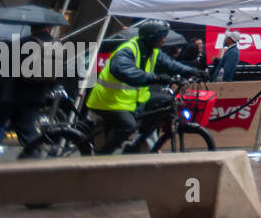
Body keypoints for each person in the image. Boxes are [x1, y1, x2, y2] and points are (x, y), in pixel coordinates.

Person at [86, 19, 203, 154]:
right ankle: (103, 156)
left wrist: (194, 71)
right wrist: (155, 78)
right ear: (152, 37)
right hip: (109, 101)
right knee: (128, 126)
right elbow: (126, 72)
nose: (165, 39)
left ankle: (136, 145)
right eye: (162, 36)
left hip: (131, 101)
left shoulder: (153, 51)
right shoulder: (128, 50)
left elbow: (171, 64)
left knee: (165, 102)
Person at [0, 24, 56, 156]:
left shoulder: (23, 42)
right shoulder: (56, 45)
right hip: (35, 98)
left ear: (32, 29)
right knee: (28, 132)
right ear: (48, 29)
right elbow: (55, 76)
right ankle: (35, 160)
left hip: (10, 95)